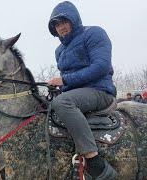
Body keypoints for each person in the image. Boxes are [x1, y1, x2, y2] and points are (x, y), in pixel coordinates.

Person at [48, 1, 118, 179]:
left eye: (64, 21)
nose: (61, 27)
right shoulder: (59, 50)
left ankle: (95, 163)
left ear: (74, 19)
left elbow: (101, 66)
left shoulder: (94, 33)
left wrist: (64, 80)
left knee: (62, 102)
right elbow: (68, 82)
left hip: (100, 91)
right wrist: (58, 86)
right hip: (77, 95)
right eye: (56, 24)